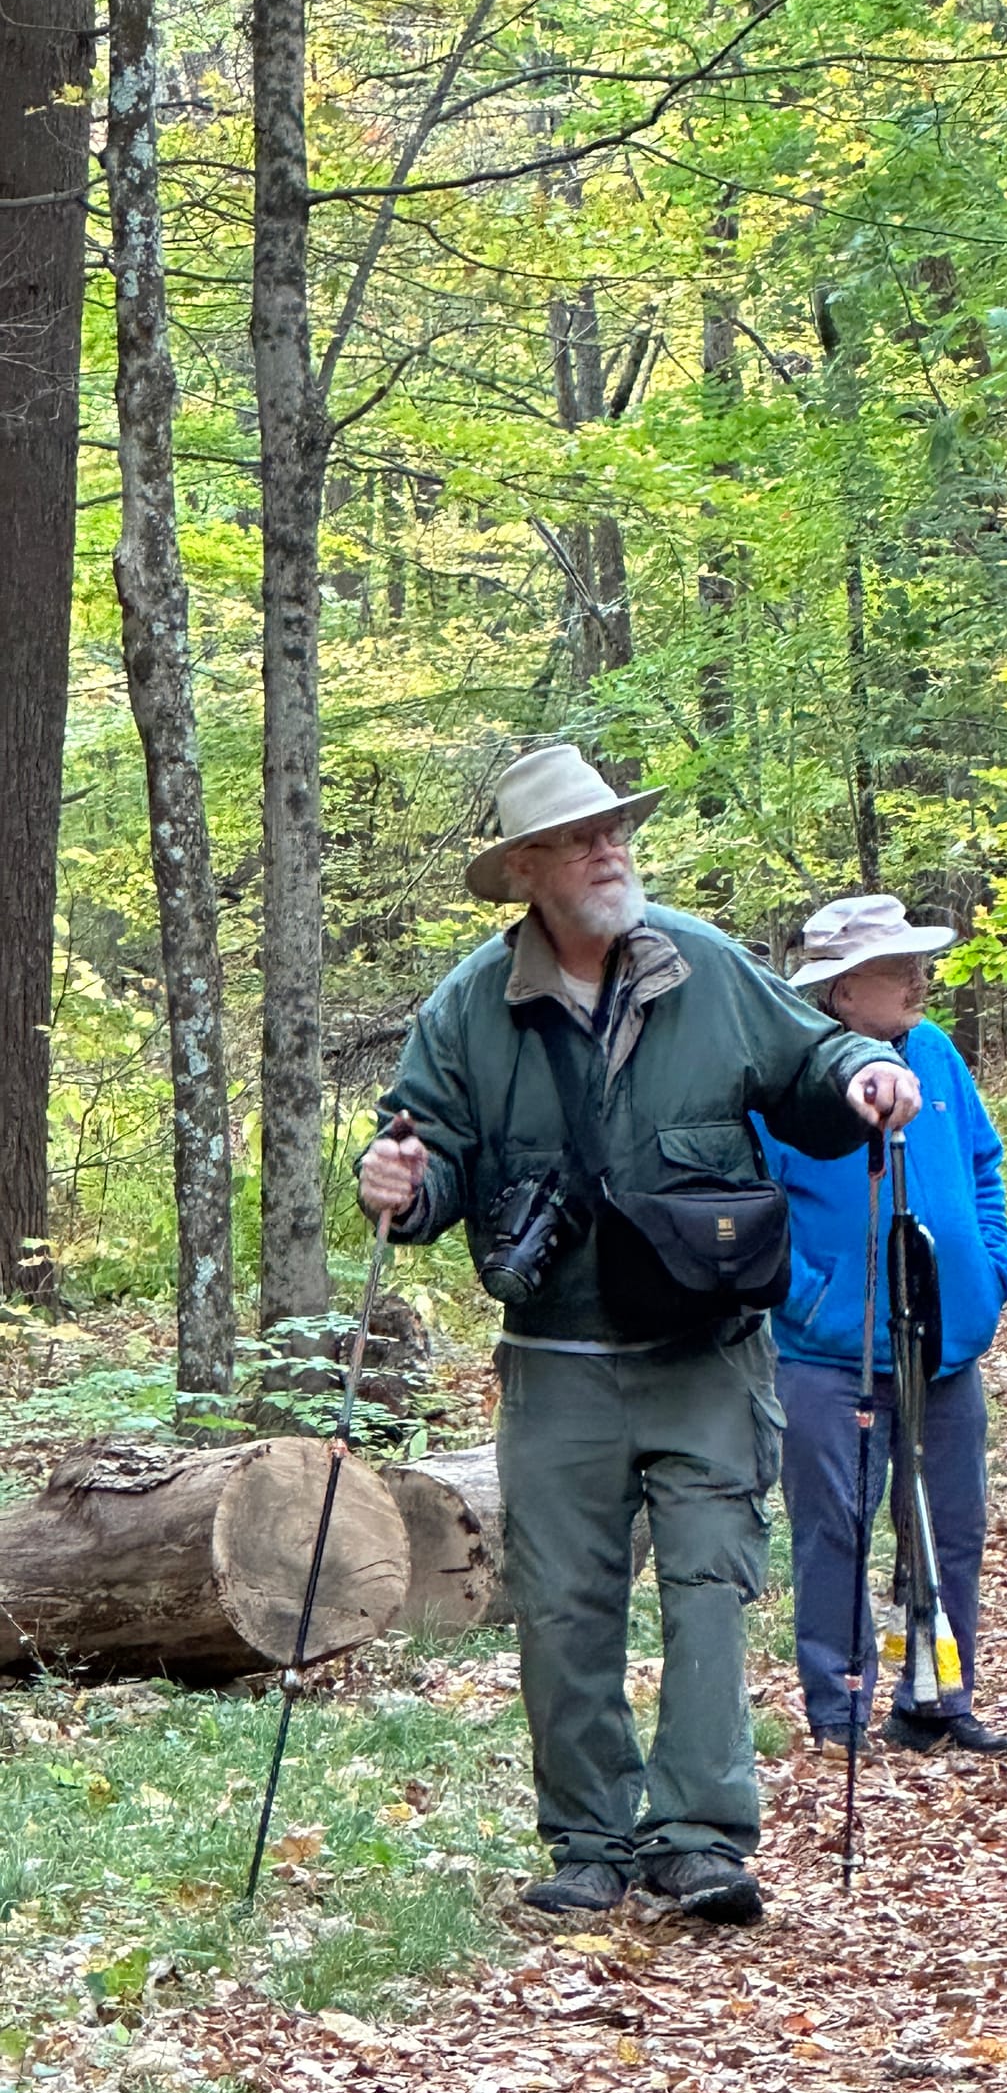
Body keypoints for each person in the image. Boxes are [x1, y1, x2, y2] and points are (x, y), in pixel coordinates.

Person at [356, 744, 921, 1925]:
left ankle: (702, 1840)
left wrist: (868, 1071)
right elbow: (427, 1155)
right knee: (564, 1605)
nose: (608, 849)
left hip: (706, 1352)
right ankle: (588, 1842)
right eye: (578, 838)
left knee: (709, 1588)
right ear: (525, 869)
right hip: (557, 1361)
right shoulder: (468, 1008)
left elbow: (813, 1061)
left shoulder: (706, 967)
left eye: (614, 828)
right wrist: (397, 1181)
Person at [754, 894, 1007, 1757]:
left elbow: (982, 1161)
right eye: (895, 967)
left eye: (917, 961)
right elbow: (757, 1203)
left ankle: (937, 1694)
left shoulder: (935, 1052)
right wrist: (808, 1295)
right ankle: (839, 1709)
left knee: (951, 1528)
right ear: (840, 990)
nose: (918, 978)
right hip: (830, 1356)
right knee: (836, 1530)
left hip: (944, 1347)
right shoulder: (789, 1075)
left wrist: (990, 1265)